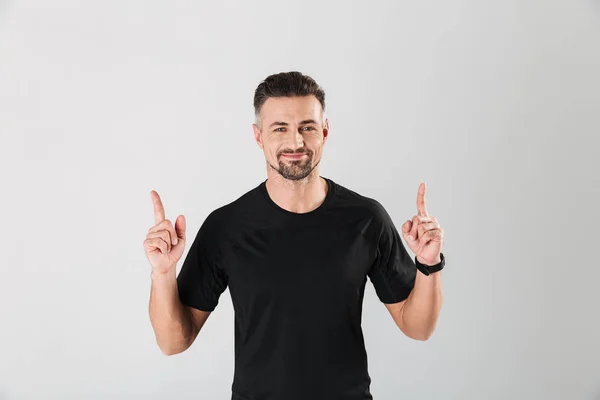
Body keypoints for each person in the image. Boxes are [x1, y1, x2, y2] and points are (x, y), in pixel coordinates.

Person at [145, 71, 445, 400]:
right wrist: (163, 273)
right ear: (259, 137)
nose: (296, 142)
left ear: (324, 131)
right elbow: (174, 342)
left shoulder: (365, 219)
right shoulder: (226, 227)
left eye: (307, 127)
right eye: (280, 128)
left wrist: (427, 265)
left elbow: (417, 327)